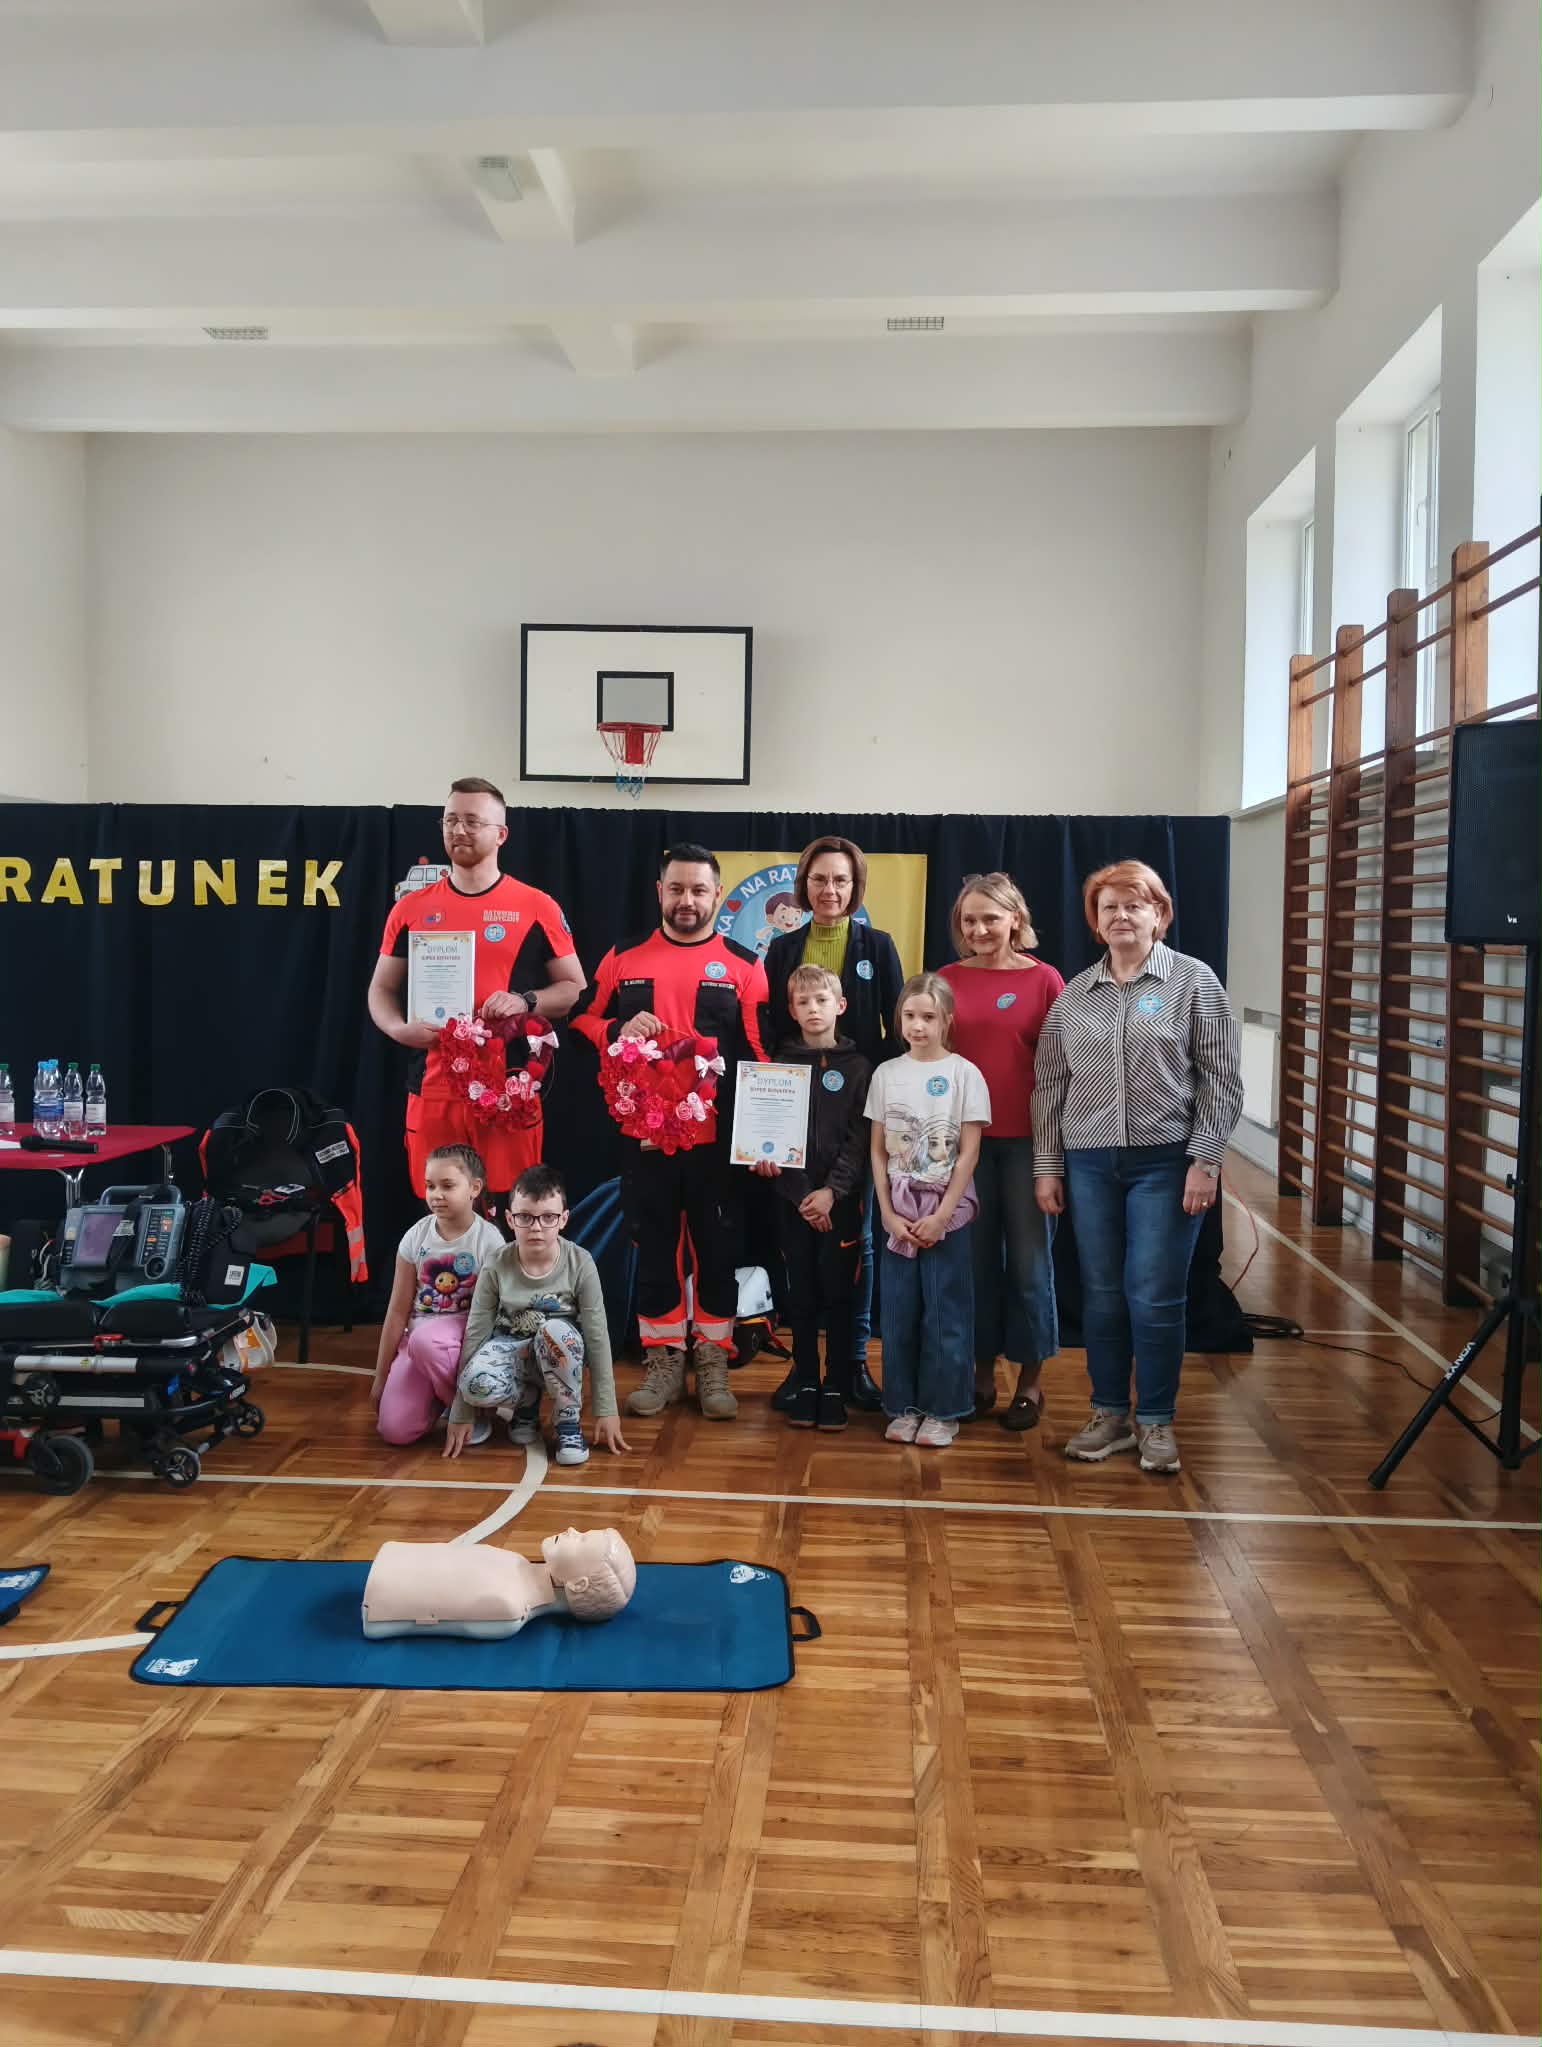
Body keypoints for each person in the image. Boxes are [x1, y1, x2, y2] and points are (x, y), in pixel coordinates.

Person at [1032, 860, 1243, 1476]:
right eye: (1109, 908)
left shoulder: (1193, 982)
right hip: (1090, 1163)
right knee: (1100, 1296)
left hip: (1168, 1163)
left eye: (1134, 905)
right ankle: (1109, 1415)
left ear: (1159, 915)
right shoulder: (1074, 995)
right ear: (1096, 923)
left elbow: (1222, 1079)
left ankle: (1155, 1419)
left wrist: (1206, 1161)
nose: (1121, 916)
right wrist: (1048, 1167)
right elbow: (1050, 1085)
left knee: (1153, 1296)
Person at [571, 843, 769, 1422]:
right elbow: (581, 1017)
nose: (687, 900)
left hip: (718, 1141)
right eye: (676, 888)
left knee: (718, 1251)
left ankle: (712, 1360)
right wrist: (617, 1028)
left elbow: (762, 1055)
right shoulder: (623, 957)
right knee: (654, 1247)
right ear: (660, 891)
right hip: (646, 1137)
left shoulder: (743, 964)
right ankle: (663, 1361)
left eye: (699, 890)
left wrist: (766, 1134)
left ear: (717, 894)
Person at [369, 776, 585, 1208]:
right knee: (440, 1210)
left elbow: (575, 989)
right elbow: (381, 988)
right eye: (450, 820)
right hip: (433, 1085)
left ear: (501, 834)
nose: (459, 830)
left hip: (509, 1089)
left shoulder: (536, 906)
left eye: (472, 821)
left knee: (510, 1210)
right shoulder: (410, 908)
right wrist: (397, 1029)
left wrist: (525, 1001)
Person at [763, 836, 904, 1411]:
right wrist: (764, 1130)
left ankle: (852, 1365)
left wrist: (881, 1103)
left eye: (841, 880)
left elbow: (896, 1028)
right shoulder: (782, 949)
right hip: (795, 1120)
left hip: (857, 1111)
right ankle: (804, 1371)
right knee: (799, 1260)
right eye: (819, 879)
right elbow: (769, 1033)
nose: (830, 890)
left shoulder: (878, 945)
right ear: (804, 884)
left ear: (855, 885)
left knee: (857, 1250)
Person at [939, 873, 1065, 1430]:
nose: (979, 929)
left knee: (1031, 1266)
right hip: (962, 1144)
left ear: (1016, 918)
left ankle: (1031, 1383)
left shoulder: (1045, 980)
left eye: (990, 918)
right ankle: (980, 1374)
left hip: (1028, 1144)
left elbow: (1062, 1070)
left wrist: (1052, 1158)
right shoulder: (946, 980)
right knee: (975, 1264)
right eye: (969, 920)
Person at [865, 972, 991, 1449]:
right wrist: (886, 1212)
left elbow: (969, 1153)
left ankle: (944, 1409)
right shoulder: (886, 1074)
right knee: (899, 1312)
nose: (917, 1026)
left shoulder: (965, 1074)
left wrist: (943, 1215)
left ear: (947, 1020)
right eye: (909, 1016)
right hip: (899, 1207)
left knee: (945, 1311)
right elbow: (878, 1149)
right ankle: (903, 1405)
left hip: (944, 1207)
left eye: (928, 1017)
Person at [446, 1162, 629, 1466]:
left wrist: (606, 1409)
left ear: (563, 1219)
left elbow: (597, 1336)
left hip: (560, 1352)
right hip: (514, 1352)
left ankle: (567, 1421)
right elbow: (476, 1331)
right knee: (474, 1384)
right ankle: (526, 1403)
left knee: (555, 1331)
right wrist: (461, 1412)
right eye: (525, 1217)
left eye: (548, 1217)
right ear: (510, 1219)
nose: (536, 1227)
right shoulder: (497, 1263)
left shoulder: (580, 1262)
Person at [753, 964, 871, 1431]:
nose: (813, 1009)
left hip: (841, 1204)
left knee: (839, 1294)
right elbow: (770, 1136)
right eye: (803, 1002)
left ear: (840, 1005)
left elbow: (861, 1140)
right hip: (792, 1201)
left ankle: (836, 1384)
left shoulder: (859, 1068)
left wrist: (831, 1193)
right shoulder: (777, 1066)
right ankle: (805, 1380)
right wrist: (803, 1194)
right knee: (799, 1294)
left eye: (821, 1000)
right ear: (791, 1010)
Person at [369, 1143, 507, 1445]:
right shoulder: (415, 1236)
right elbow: (397, 1311)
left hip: (466, 1341)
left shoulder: (490, 1241)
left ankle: (471, 1408)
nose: (436, 1195)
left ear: (474, 1188)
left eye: (447, 1186)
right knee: (394, 1430)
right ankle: (439, 1397)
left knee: (427, 1341)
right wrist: (380, 1377)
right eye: (430, 1186)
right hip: (419, 1345)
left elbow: (493, 1317)